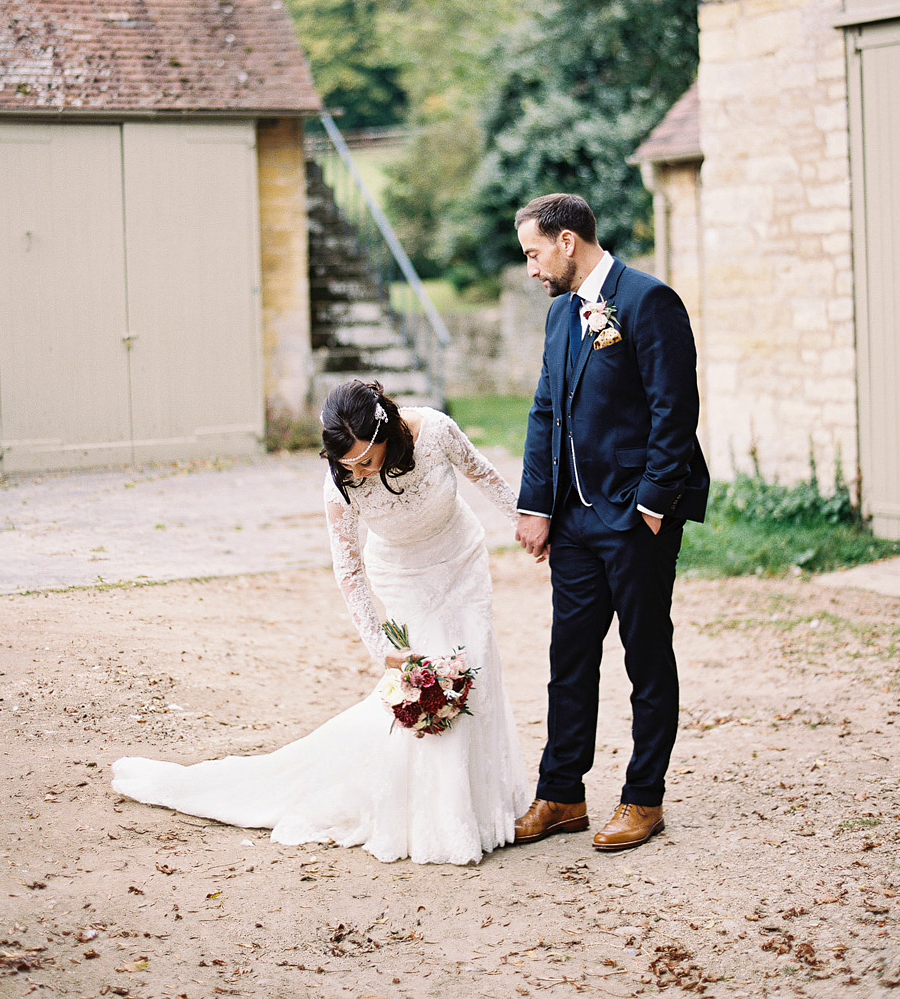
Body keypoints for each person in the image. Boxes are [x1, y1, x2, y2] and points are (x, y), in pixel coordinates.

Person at [113, 380, 530, 866]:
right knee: (435, 683)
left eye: (365, 459)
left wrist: (527, 518)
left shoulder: (434, 430)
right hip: (405, 580)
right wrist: (379, 646)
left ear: (388, 431)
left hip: (461, 560)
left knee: (476, 667)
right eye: (347, 463)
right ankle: (440, 820)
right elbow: (348, 568)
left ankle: (488, 807)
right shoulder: (341, 481)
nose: (357, 470)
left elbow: (480, 471)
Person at [512, 193, 709, 852]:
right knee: (568, 657)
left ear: (568, 242)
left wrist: (652, 505)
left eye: (535, 254)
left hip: (634, 517)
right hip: (571, 519)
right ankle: (562, 792)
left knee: (645, 656)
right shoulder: (561, 315)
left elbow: (674, 410)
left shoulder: (650, 301)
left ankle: (643, 799)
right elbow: (546, 412)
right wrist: (537, 505)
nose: (531, 269)